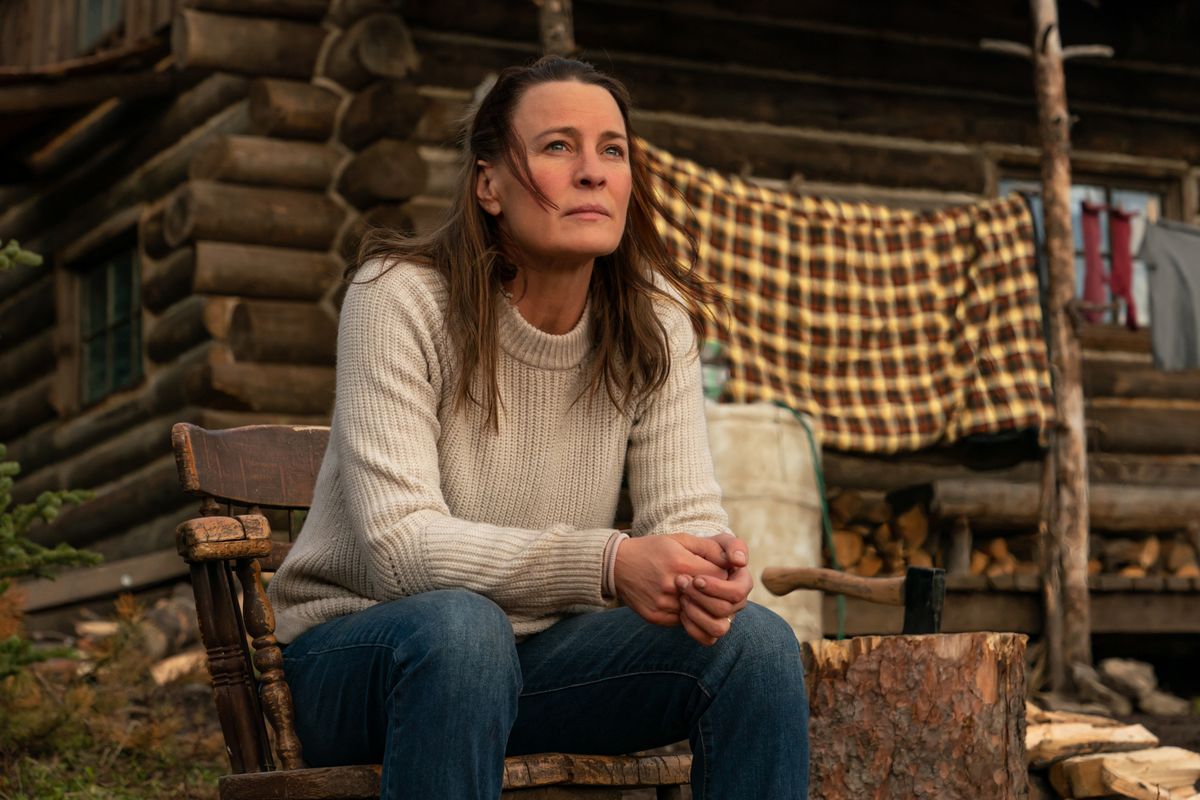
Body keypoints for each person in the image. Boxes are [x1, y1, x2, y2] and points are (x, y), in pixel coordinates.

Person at [267, 55, 809, 799]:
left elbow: (682, 516)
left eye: (611, 150)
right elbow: (398, 548)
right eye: (558, 147)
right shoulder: (399, 298)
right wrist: (611, 563)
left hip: (542, 667)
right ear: (488, 184)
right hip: (365, 658)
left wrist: (703, 573)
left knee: (755, 644)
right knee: (464, 632)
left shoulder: (655, 321)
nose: (593, 172)